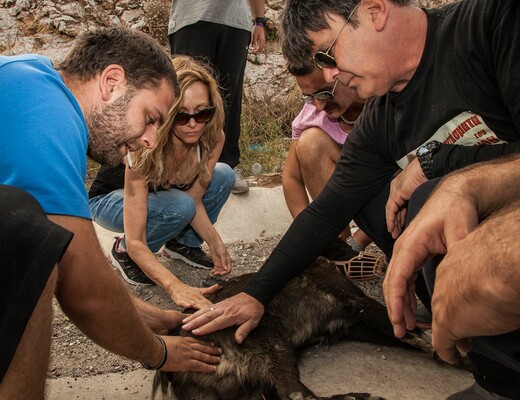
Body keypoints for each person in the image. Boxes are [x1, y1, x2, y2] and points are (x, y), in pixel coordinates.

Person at [181, 0, 520, 398]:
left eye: (327, 53)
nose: (329, 74)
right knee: (370, 192)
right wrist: (257, 293)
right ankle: (490, 363)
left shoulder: (492, 24)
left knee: (430, 190)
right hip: (448, 269)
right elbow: (325, 214)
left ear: (375, 11)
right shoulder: (381, 118)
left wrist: (448, 170)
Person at [0, 27, 222, 400]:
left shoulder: (36, 89)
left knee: (26, 237)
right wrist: (158, 352)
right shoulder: (41, 107)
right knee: (23, 234)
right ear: (112, 83)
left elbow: (75, 270)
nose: (151, 139)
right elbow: (86, 289)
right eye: (151, 117)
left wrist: (155, 318)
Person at [89, 55, 234, 310]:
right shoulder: (142, 143)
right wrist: (175, 286)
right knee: (179, 205)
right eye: (181, 115)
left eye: (203, 113)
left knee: (223, 175)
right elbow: (138, 237)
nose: (193, 124)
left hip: (165, 200)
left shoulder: (212, 137)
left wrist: (215, 242)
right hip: (108, 200)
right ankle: (122, 254)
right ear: (166, 111)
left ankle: (181, 244)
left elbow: (196, 199)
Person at [384, 154, 520, 400]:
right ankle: (500, 384)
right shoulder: (378, 125)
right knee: (429, 197)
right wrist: (463, 186)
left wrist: (509, 242)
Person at [166, 0, 267, 194]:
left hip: (236, 22)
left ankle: (227, 164)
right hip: (191, 18)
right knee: (186, 96)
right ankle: (181, 169)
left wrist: (260, 21)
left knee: (229, 99)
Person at [284, 62, 372, 254]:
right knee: (309, 143)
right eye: (309, 97)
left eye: (324, 93)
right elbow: (291, 178)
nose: (319, 105)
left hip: (384, 199)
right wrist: (310, 234)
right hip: (349, 190)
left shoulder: (381, 104)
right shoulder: (313, 113)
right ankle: (337, 242)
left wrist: (358, 241)